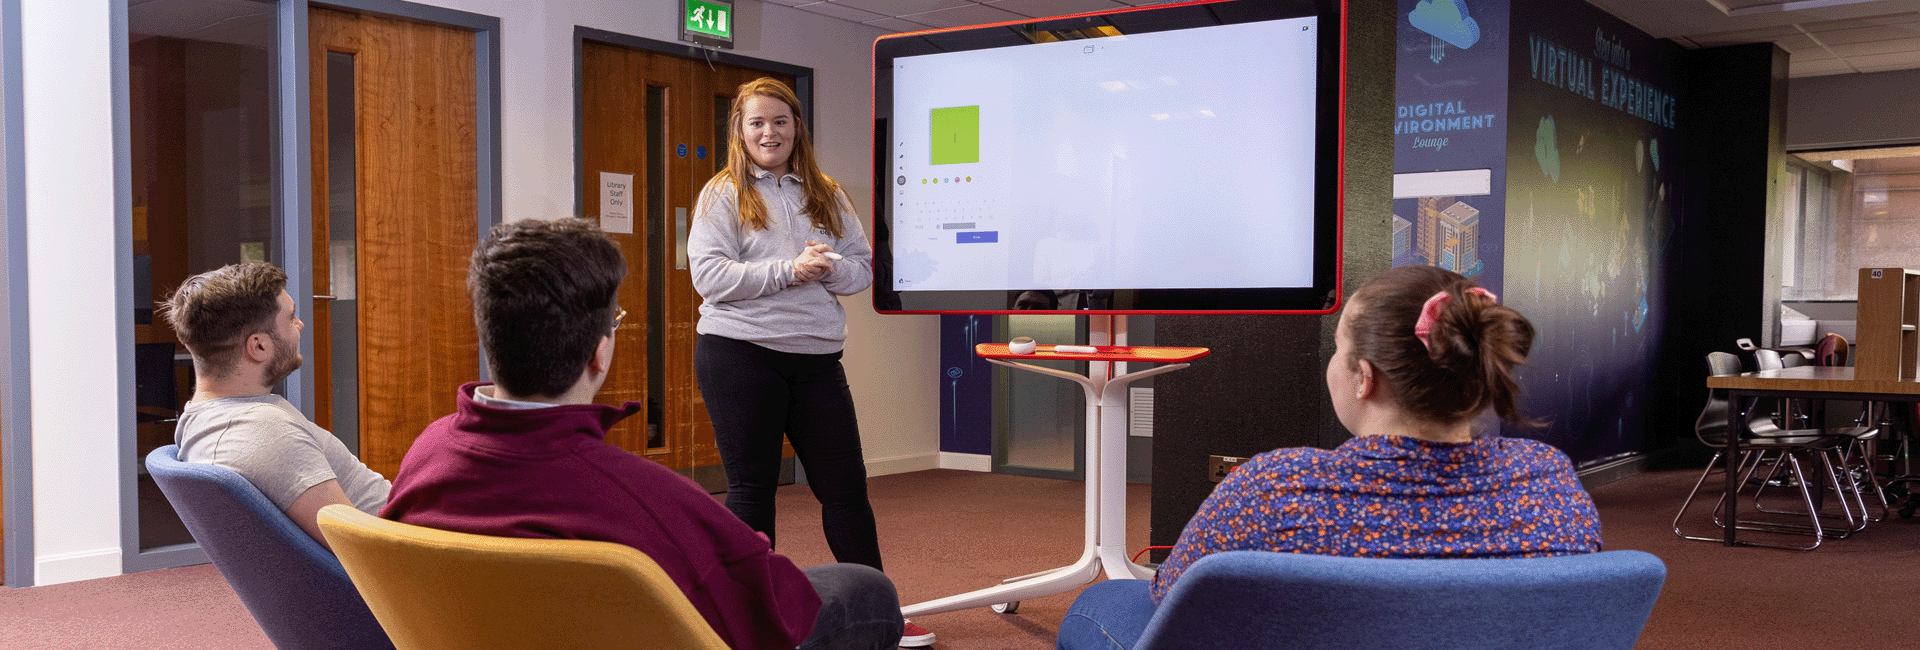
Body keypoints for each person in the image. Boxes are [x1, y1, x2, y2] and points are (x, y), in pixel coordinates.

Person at [380, 218, 902, 650]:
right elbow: (763, 611)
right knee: (865, 592)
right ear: (599, 352)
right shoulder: (646, 496)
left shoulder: (427, 455)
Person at [1056, 265, 1603, 650]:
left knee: (1099, 606)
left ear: (1364, 378)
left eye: (1340, 350)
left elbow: (1169, 594)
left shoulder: (1277, 486)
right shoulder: (1548, 479)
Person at [688, 78, 935, 648]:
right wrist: (789, 270)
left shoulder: (826, 192)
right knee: (752, 491)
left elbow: (861, 269)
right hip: (739, 354)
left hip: (817, 359)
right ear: (740, 132)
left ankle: (883, 614)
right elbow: (710, 278)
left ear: (797, 127)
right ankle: (755, 622)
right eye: (757, 123)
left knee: (846, 490)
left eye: (780, 121)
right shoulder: (722, 195)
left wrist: (828, 271)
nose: (769, 132)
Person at [158, 262, 390, 550]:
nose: (300, 324)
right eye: (291, 318)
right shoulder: (266, 432)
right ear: (258, 347)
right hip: (417, 561)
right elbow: (360, 545)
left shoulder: (199, 417)